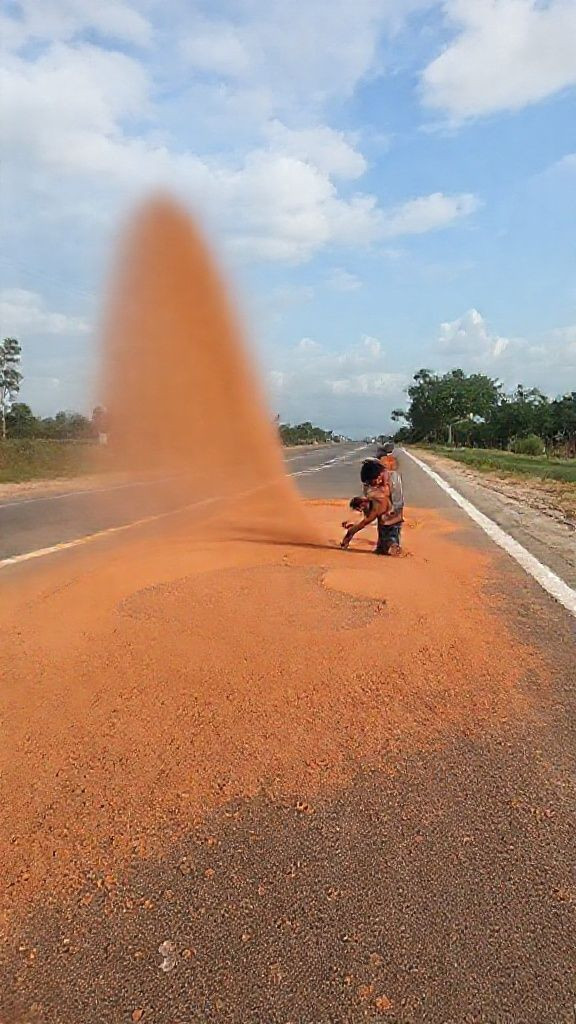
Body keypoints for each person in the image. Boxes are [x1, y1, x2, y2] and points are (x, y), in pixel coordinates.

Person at [341, 461, 402, 555]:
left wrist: (352, 530)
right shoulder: (369, 489)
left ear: (380, 475)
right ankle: (387, 544)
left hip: (391, 513)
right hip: (381, 510)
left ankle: (392, 544)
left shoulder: (393, 480)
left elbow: (397, 505)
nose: (373, 485)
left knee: (387, 524)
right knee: (381, 543)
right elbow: (368, 515)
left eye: (373, 482)